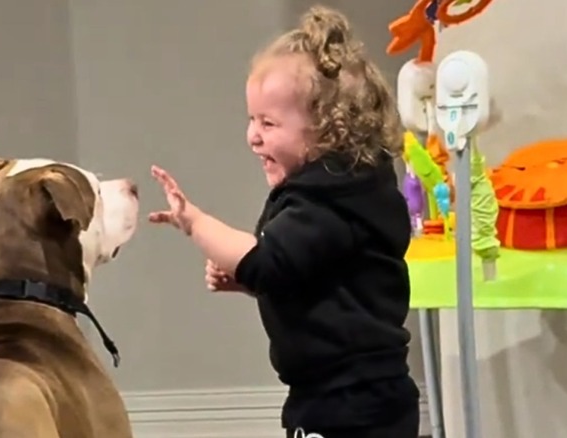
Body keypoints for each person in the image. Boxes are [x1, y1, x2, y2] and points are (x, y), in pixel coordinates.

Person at [148, 4, 419, 438]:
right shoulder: (343, 193)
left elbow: (265, 261)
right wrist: (247, 281)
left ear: (327, 128)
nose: (252, 135)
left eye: (268, 123)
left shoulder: (324, 202)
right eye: (252, 120)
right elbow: (306, 275)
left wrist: (194, 221)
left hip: (348, 402)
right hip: (346, 393)